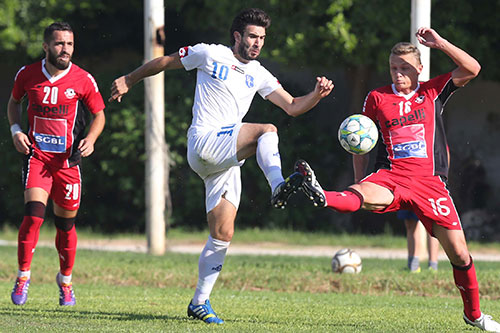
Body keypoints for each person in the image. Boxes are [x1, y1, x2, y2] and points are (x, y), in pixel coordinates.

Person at [109, 8, 333, 324]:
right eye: (253, 36)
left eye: (262, 38)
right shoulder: (208, 54)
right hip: (204, 142)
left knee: (223, 233)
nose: (257, 43)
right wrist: (128, 79)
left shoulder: (260, 73)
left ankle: (199, 302)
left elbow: (294, 106)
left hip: (226, 158)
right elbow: (164, 61)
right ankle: (279, 185)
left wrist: (317, 95)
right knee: (267, 131)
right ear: (237, 36)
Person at [292, 27, 500, 332]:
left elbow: (473, 68)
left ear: (419, 69)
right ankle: (322, 193)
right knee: (357, 196)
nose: (398, 74)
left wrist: (440, 43)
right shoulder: (377, 98)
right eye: (393, 68)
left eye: (404, 68)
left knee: (459, 252)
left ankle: (474, 315)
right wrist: (359, 181)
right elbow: (359, 141)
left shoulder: (432, 91)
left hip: (430, 183)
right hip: (391, 177)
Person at [7, 22, 106, 306]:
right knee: (33, 217)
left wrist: (91, 138)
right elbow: (13, 104)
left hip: (68, 162)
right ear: (46, 46)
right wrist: (16, 131)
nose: (66, 50)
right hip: (37, 158)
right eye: (60, 44)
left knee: (65, 226)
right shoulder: (27, 74)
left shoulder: (83, 79)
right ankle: (23, 276)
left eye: (70, 44)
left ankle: (65, 282)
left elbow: (99, 115)